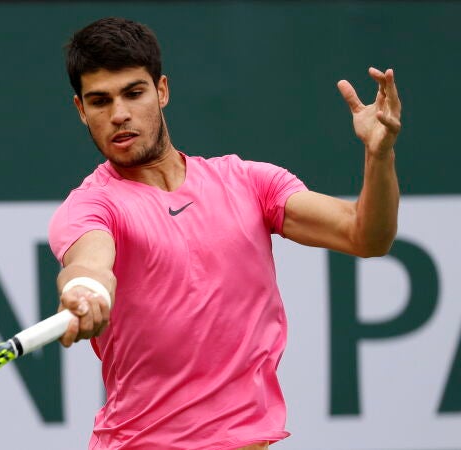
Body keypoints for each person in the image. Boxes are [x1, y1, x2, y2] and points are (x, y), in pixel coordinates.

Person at [47, 17, 401, 450]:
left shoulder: (248, 182)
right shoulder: (91, 206)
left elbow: (366, 236)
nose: (119, 114)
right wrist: (84, 290)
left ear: (161, 91)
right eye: (100, 101)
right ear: (81, 110)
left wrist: (379, 156)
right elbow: (89, 263)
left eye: (133, 93)